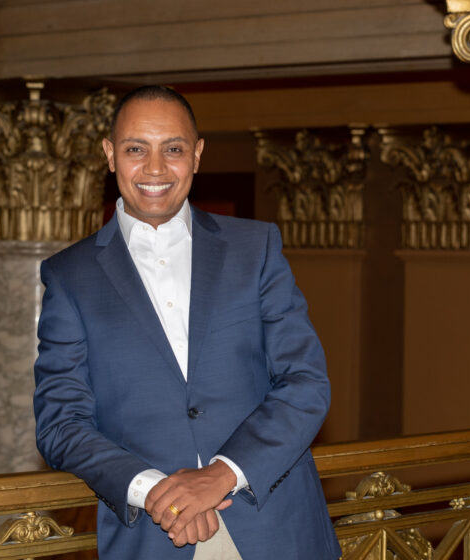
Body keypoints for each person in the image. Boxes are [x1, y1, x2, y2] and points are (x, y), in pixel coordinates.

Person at [33, 85, 341, 560]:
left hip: (276, 528)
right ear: (110, 155)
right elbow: (60, 422)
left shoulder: (255, 249)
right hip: (153, 535)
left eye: (173, 149)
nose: (155, 168)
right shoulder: (69, 275)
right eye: (136, 149)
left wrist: (220, 475)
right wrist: (157, 492)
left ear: (196, 155)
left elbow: (305, 383)